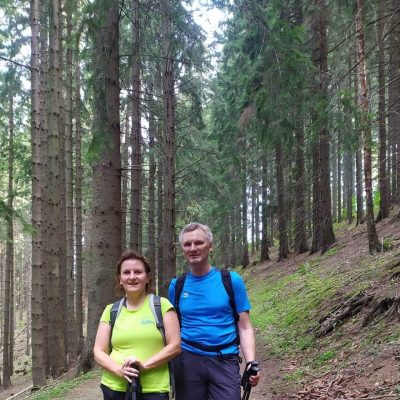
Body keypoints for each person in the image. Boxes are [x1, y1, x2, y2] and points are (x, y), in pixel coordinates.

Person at [168, 222, 260, 400]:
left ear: (210, 246)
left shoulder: (231, 280)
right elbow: (172, 328)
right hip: (187, 360)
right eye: (187, 244)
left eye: (198, 243)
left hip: (225, 359)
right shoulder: (176, 286)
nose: (193, 248)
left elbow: (245, 327)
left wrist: (250, 362)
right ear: (182, 249)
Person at [94, 250, 181, 400]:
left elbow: (175, 346)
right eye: (126, 272)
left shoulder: (162, 306)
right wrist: (119, 370)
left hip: (154, 388)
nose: (132, 277)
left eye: (138, 272)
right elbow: (98, 350)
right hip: (114, 387)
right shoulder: (111, 310)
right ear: (120, 279)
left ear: (148, 277)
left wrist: (145, 365)